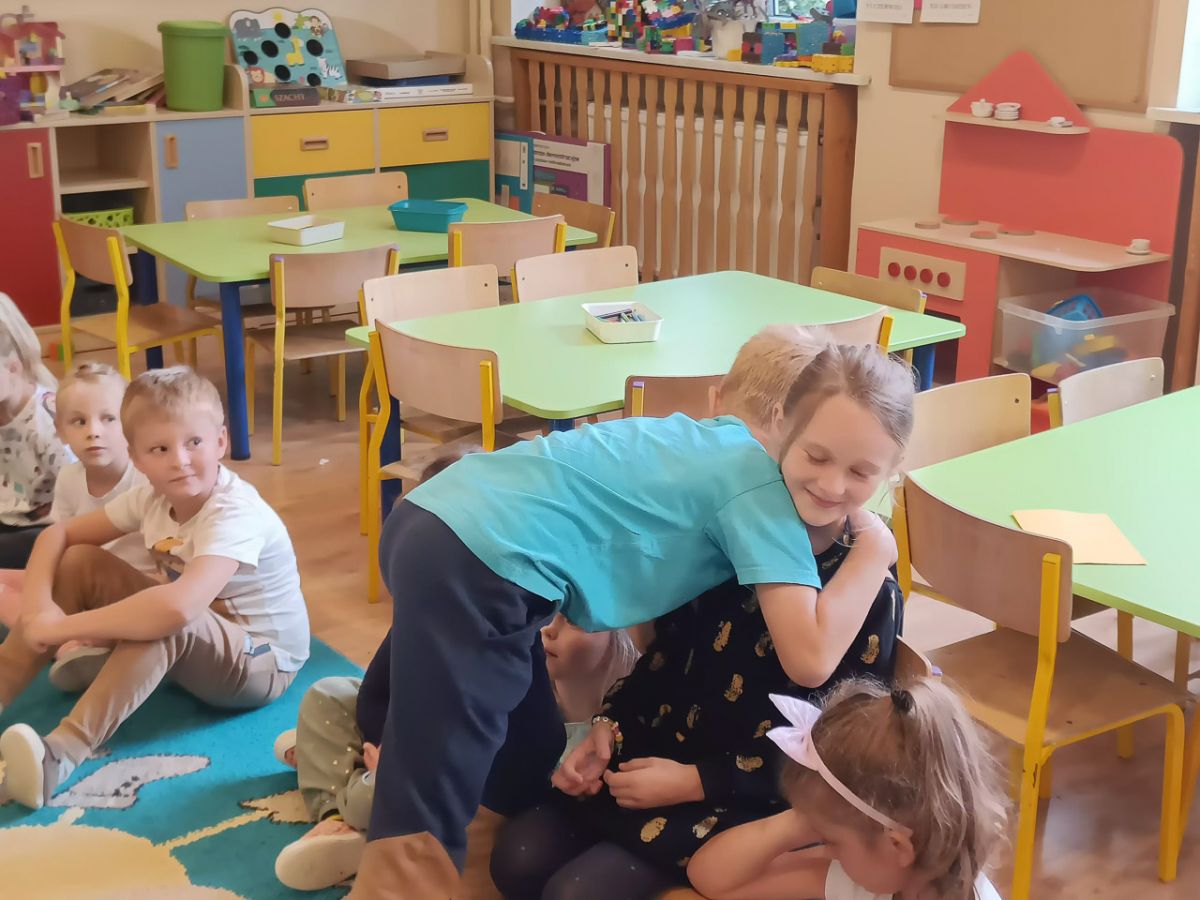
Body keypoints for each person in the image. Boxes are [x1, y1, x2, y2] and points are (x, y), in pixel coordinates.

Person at [349, 337, 902, 898]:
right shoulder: (759, 490)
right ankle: (395, 877)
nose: (832, 484)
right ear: (783, 425)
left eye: (859, 471)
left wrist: (609, 728)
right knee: (436, 781)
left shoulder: (709, 440)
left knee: (499, 755)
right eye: (816, 457)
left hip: (435, 516)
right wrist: (877, 547)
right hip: (480, 562)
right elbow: (807, 658)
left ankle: (393, 819)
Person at [270, 448, 640, 893]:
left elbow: (499, 769)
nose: (547, 631)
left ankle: (343, 801)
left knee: (378, 797)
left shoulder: (597, 690)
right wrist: (392, 747)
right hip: (421, 731)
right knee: (327, 695)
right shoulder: (443, 609)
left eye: (568, 620)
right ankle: (340, 813)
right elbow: (381, 692)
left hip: (462, 774)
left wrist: (397, 774)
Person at [0, 366, 310, 810]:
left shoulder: (234, 513)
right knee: (80, 560)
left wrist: (60, 628)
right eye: (160, 449)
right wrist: (37, 609)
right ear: (137, 458)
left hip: (262, 664)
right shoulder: (151, 496)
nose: (179, 460)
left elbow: (178, 609)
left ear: (221, 441)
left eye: (194, 442)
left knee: (165, 617)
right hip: (203, 639)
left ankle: (61, 754)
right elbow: (58, 535)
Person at [687, 678, 1008, 900]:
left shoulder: (877, 876)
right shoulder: (885, 877)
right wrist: (808, 818)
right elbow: (712, 877)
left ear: (897, 846)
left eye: (832, 841)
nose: (826, 851)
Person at [0, 362, 155, 692]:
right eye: (79, 421)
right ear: (60, 430)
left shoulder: (144, 479)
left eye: (108, 418)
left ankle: (69, 641)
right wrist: (43, 595)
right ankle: (67, 645)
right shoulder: (70, 478)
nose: (93, 431)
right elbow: (57, 543)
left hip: (129, 594)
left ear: (129, 424)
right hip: (79, 588)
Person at [0, 292, 69, 575]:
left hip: (44, 528)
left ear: (13, 367)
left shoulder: (47, 419)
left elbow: (78, 492)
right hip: (9, 515)